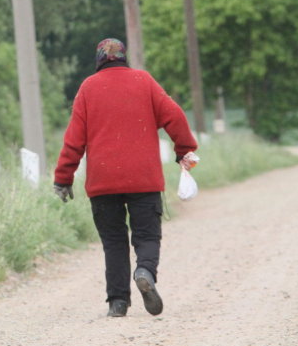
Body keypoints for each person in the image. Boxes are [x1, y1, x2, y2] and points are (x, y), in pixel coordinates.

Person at [53, 38, 198, 318]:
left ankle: (118, 302)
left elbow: (74, 140)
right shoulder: (144, 81)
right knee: (146, 234)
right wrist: (184, 150)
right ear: (123, 57)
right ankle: (144, 270)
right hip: (143, 178)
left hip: (102, 181)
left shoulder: (88, 88)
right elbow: (175, 116)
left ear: (98, 59)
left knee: (114, 240)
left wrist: (63, 178)